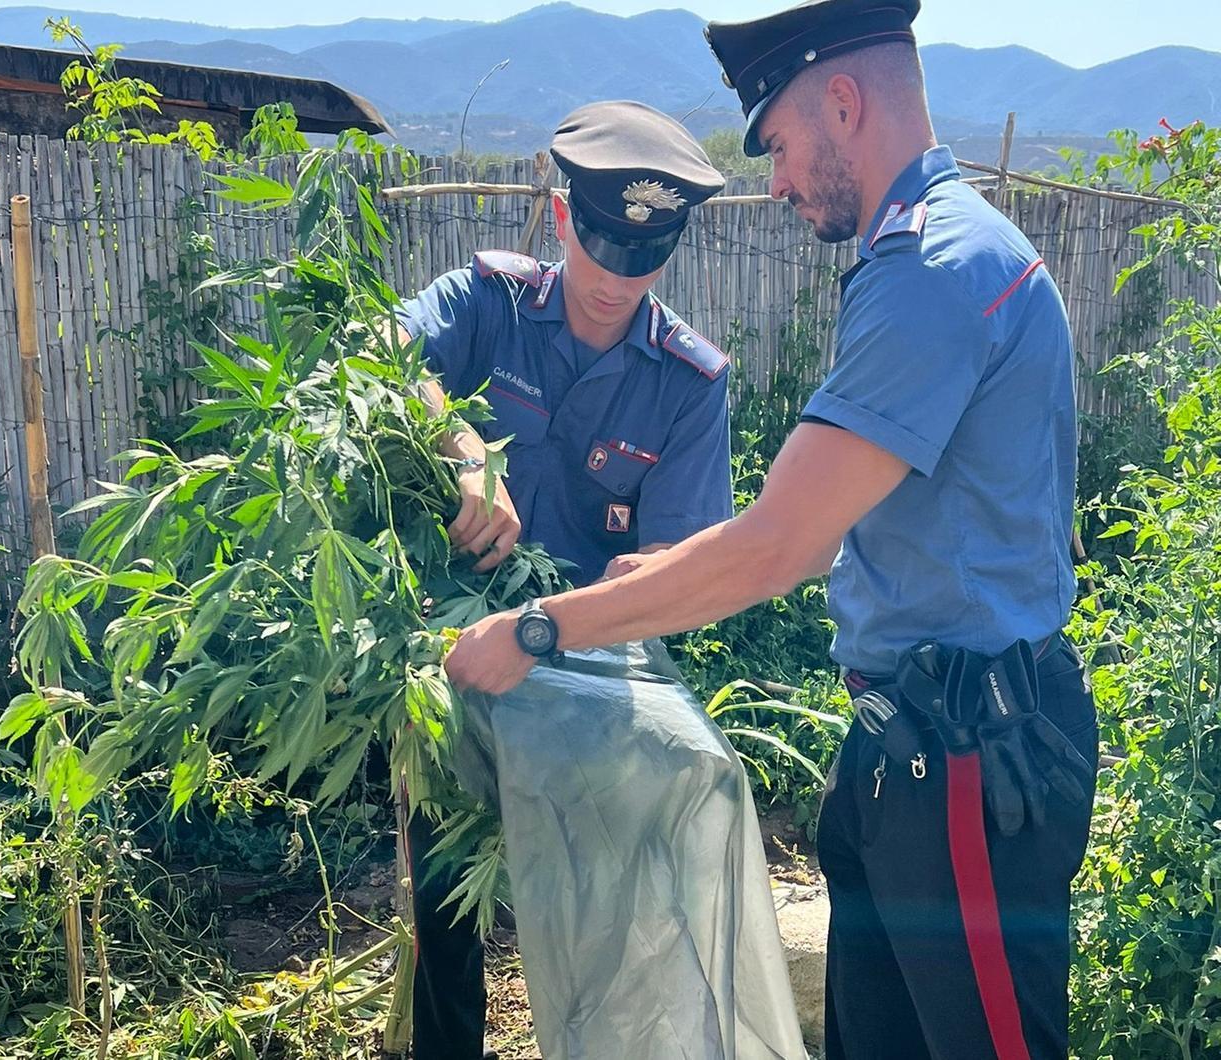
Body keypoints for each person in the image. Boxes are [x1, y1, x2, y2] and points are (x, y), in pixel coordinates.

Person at [444, 2, 1099, 1058]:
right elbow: (866, 520)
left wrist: (535, 630)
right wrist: (688, 565)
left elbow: (777, 545)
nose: (778, 182)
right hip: (911, 744)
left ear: (842, 104)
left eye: (782, 147)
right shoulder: (929, 257)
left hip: (971, 760)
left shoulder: (932, 274)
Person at [396, 100, 735, 1060]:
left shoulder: (690, 384)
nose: (616, 278)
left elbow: (675, 568)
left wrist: (612, 592)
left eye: (645, 256)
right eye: (599, 245)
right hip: (456, 664)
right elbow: (381, 354)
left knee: (600, 912)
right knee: (446, 909)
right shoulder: (488, 304)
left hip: (592, 687)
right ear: (559, 219)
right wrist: (458, 443)